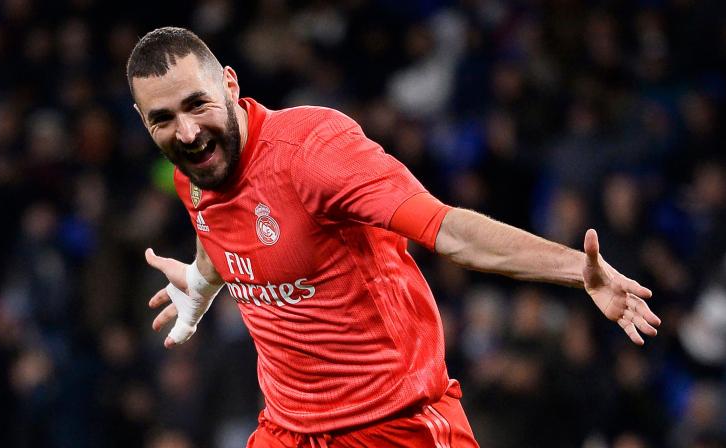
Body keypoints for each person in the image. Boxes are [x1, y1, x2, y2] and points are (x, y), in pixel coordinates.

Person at [127, 27, 661, 448]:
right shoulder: (194, 172)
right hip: (288, 431)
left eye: (198, 104)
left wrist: (575, 268)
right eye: (164, 119)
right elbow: (218, 230)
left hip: (394, 425)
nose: (189, 132)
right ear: (144, 122)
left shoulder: (312, 153)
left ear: (230, 84)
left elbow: (448, 231)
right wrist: (199, 285)